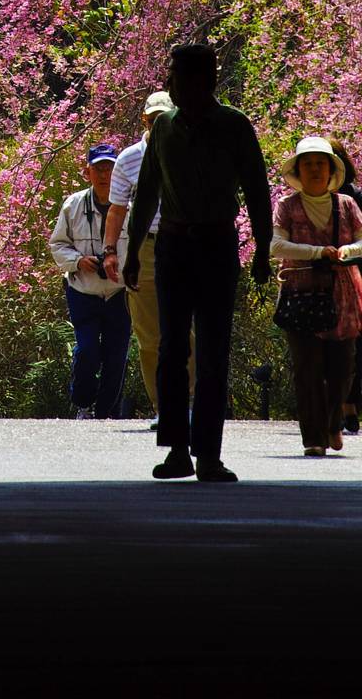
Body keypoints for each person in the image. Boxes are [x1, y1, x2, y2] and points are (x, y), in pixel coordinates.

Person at [123, 43, 272, 484]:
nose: (170, 83)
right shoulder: (165, 128)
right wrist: (132, 252)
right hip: (172, 247)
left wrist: (262, 249)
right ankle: (176, 451)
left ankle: (208, 453)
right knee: (172, 349)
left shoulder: (234, 126)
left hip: (216, 246)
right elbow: (147, 190)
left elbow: (257, 190)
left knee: (212, 350)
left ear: (202, 80)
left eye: (177, 75)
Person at [270, 136, 362, 458]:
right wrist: (317, 252)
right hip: (301, 295)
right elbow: (276, 246)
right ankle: (314, 436)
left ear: (330, 169)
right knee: (307, 367)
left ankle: (334, 422)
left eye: (319, 164)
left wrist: (345, 251)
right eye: (307, 164)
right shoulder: (287, 206)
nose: (313, 170)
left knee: (341, 367)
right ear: (298, 170)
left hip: (343, 296)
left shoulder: (346, 206)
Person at [102, 90, 175, 421]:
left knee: (184, 329)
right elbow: (116, 210)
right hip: (144, 245)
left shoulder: (188, 151)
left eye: (164, 118)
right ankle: (162, 406)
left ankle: (185, 404)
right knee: (149, 334)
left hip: (181, 243)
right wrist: (110, 251)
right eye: (152, 119)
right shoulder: (129, 159)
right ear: (144, 121)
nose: (158, 125)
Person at [49, 143, 130, 419]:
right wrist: (78, 261)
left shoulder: (131, 206)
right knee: (87, 351)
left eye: (110, 168)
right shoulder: (73, 205)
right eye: (99, 168)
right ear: (87, 172)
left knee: (116, 356)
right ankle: (82, 403)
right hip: (83, 289)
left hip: (120, 292)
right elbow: (57, 245)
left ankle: (106, 413)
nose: (104, 174)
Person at [334, 140, 362, 434]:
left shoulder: (356, 198)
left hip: (355, 278)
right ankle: (338, 406)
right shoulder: (304, 201)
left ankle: (349, 404)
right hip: (320, 280)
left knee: (354, 345)